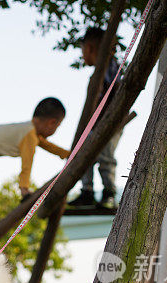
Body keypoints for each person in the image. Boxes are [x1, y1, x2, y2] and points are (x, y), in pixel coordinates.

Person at [0, 98, 70, 220]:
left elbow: (47, 145)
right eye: (58, 126)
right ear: (52, 122)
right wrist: (24, 189)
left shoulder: (30, 131)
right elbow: (27, 163)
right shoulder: (29, 135)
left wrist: (67, 154)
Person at [68, 27, 122, 210]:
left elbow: (116, 93)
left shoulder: (111, 68)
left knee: (105, 156)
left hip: (110, 122)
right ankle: (87, 192)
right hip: (94, 124)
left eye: (83, 52)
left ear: (90, 48)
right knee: (85, 155)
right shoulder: (100, 72)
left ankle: (109, 193)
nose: (83, 57)